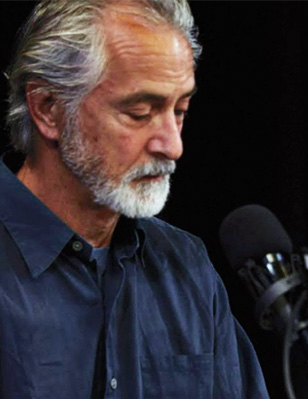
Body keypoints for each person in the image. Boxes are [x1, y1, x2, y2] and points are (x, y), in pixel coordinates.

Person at [0, 0, 268, 398]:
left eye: (180, 110)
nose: (173, 146)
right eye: (140, 113)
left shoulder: (187, 265)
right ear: (48, 109)